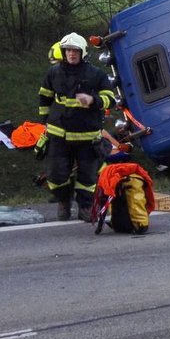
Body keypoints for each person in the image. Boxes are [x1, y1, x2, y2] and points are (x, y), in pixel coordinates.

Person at [37, 32, 116, 221]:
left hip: (86, 136)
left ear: (83, 53)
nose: (71, 54)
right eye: (68, 50)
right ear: (64, 53)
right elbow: (44, 97)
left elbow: (111, 99)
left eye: (75, 50)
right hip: (59, 135)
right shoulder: (53, 73)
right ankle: (64, 201)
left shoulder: (95, 74)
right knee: (55, 175)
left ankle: (85, 208)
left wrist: (93, 100)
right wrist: (46, 121)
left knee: (87, 177)